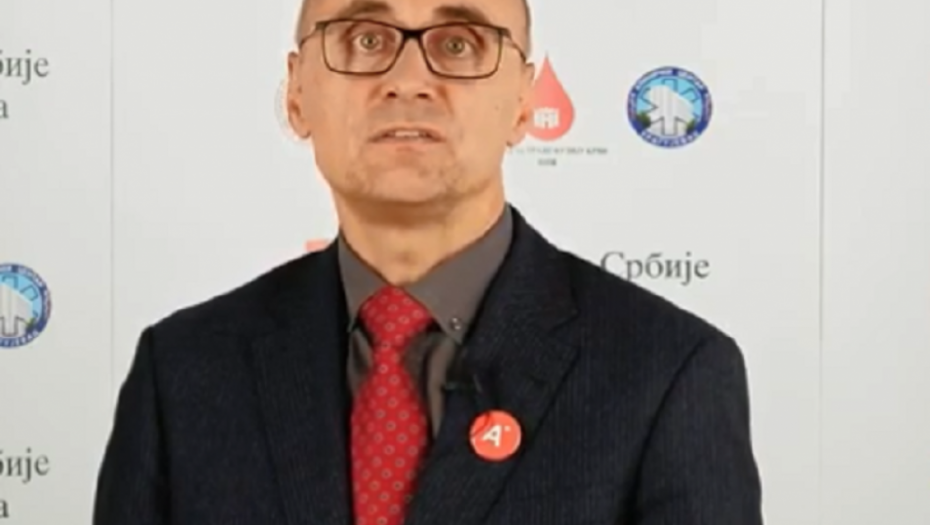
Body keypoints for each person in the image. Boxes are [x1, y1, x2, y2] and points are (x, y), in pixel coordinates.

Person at [92, 0, 764, 523]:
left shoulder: (666, 371)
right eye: (364, 39)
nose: (408, 81)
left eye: (458, 43)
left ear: (524, 101)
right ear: (296, 93)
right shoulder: (183, 371)